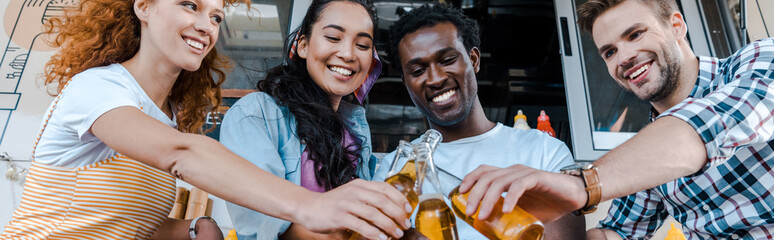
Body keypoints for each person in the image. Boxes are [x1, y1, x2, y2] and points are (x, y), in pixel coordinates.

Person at [0, 0, 409, 239]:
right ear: (143, 6)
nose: (205, 25)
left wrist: (193, 228)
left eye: (216, 16)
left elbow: (120, 226)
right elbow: (184, 153)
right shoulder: (97, 88)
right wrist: (313, 208)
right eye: (190, 5)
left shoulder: (169, 116)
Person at [459, 0, 774, 239]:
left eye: (635, 34)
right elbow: (619, 232)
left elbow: (705, 126)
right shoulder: (648, 151)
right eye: (609, 52)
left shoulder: (758, 61)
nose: (624, 58)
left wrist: (582, 184)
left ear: (676, 26)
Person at [372, 4, 586, 239]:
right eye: (418, 71)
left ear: (473, 60)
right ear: (407, 84)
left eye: (447, 59)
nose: (435, 78)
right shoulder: (396, 169)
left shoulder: (544, 151)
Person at [218, 0, 412, 239]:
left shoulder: (355, 131)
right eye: (333, 37)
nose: (348, 54)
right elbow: (263, 225)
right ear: (303, 46)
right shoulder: (256, 114)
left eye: (362, 45)